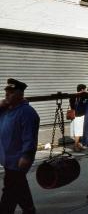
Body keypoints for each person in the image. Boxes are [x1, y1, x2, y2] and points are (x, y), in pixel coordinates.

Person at [0, 78, 39, 214]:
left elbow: (29, 137)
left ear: (20, 94)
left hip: (19, 159)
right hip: (7, 158)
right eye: (6, 92)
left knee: (10, 189)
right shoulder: (6, 110)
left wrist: (27, 155)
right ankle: (29, 209)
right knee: (19, 186)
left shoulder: (27, 112)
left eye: (11, 92)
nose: (7, 95)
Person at [69, 84, 87, 152]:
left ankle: (79, 145)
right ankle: (75, 146)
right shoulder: (81, 96)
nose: (85, 90)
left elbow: (72, 105)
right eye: (85, 89)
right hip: (79, 115)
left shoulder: (73, 95)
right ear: (82, 89)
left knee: (78, 131)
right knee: (78, 132)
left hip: (74, 115)